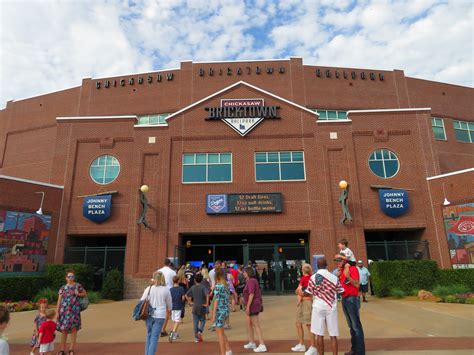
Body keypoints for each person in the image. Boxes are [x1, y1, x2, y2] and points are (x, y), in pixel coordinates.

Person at [305, 257, 344, 355]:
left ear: (317, 266)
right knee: (333, 335)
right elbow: (341, 291)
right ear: (326, 265)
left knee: (319, 334)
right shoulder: (334, 277)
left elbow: (308, 292)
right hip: (331, 307)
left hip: (318, 307)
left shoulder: (313, 277)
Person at [337, 256, 365, 355]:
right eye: (337, 261)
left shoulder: (353, 269)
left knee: (356, 326)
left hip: (352, 299)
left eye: (340, 260)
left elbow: (357, 285)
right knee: (351, 326)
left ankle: (360, 352)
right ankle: (354, 350)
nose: (338, 262)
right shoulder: (342, 271)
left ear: (346, 261)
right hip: (345, 299)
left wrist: (348, 276)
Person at [55, 269, 87, 355]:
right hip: (64, 312)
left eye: (72, 276)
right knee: (64, 330)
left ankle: (71, 349)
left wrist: (78, 294)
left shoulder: (78, 286)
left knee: (73, 330)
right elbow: (59, 301)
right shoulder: (63, 288)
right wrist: (57, 312)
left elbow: (84, 293)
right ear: (66, 278)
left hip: (74, 311)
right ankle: (62, 349)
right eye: (69, 276)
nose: (71, 278)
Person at [141, 271, 172, 355]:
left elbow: (142, 300)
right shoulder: (166, 290)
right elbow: (169, 304)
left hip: (149, 314)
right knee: (154, 337)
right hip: (160, 315)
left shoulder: (149, 288)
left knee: (149, 335)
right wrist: (169, 311)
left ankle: (147, 353)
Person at [243, 266, 266, 353]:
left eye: (244, 272)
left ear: (248, 273)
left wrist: (248, 306)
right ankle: (252, 342)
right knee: (249, 324)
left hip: (253, 305)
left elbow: (251, 294)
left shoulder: (251, 281)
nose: (243, 273)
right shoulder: (250, 281)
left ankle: (262, 344)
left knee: (256, 325)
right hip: (252, 304)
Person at [291, 263, 314, 353]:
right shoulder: (306, 278)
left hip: (307, 302)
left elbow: (298, 291)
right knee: (298, 322)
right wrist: (300, 292)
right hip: (302, 302)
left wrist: (300, 292)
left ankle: (313, 346)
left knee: (308, 324)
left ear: (303, 270)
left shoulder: (308, 278)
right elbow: (298, 291)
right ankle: (301, 344)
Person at [212, 268, 232, 355]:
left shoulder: (218, 287)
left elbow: (216, 301)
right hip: (225, 310)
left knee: (219, 334)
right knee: (221, 332)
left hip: (219, 311)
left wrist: (213, 313)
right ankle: (228, 350)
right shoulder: (226, 285)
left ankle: (223, 353)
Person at [186, 273, 209, 343]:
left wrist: (190, 302)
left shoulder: (193, 287)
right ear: (202, 280)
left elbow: (186, 295)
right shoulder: (203, 287)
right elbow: (207, 294)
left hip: (195, 306)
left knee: (195, 322)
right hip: (202, 306)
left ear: (195, 280)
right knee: (203, 320)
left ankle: (196, 337)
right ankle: (200, 331)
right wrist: (207, 303)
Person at [157, 258, 176, 337]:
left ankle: (158, 328)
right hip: (168, 291)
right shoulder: (172, 272)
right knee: (167, 311)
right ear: (169, 264)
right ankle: (163, 329)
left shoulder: (158, 271)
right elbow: (174, 281)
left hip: (159, 291)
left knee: (158, 309)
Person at [169, 276, 186, 342]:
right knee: (177, 320)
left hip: (172, 306)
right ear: (178, 281)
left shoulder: (171, 289)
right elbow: (183, 298)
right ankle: (173, 332)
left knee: (174, 320)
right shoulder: (181, 289)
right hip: (178, 305)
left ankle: (175, 334)